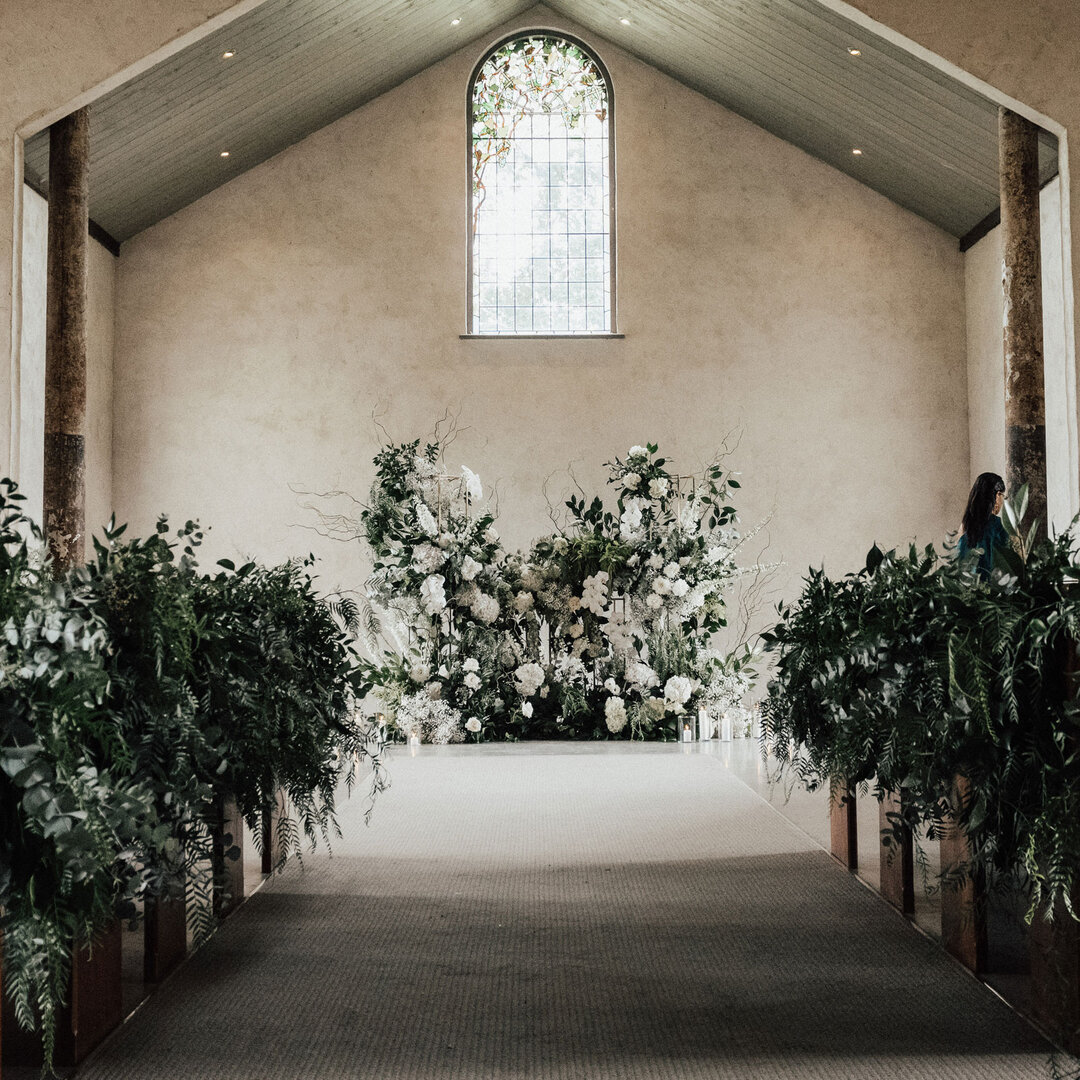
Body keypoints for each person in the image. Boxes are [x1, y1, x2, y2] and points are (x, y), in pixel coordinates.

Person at [957, 472, 1007, 579]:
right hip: (996, 591)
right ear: (997, 495)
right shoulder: (1002, 526)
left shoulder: (965, 526)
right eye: (1003, 496)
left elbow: (958, 563)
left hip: (968, 591)